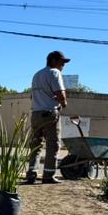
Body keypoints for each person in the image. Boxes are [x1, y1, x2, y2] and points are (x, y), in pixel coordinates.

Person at [26, 50, 70, 184]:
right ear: (53, 61)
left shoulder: (37, 75)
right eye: (61, 62)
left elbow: (32, 96)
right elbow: (60, 93)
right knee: (53, 145)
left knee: (36, 145)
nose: (63, 66)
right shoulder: (54, 72)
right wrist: (63, 103)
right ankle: (48, 175)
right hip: (50, 113)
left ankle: (31, 173)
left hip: (36, 113)